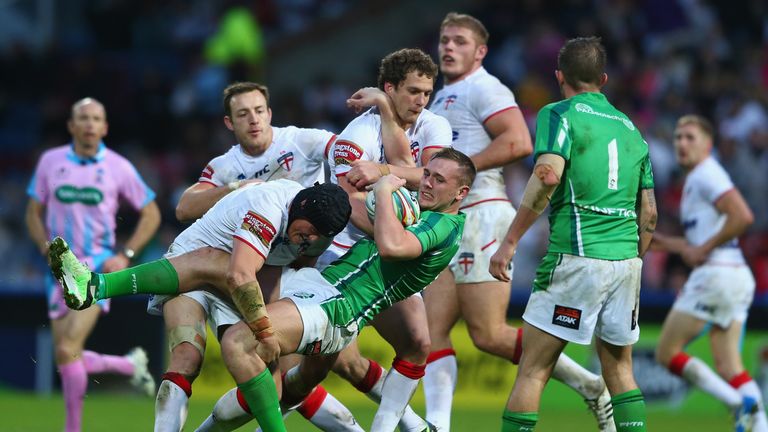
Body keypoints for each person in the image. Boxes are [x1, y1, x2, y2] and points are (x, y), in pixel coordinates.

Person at [51, 148, 472, 432]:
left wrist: (383, 182)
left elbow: (391, 244)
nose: (426, 183)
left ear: (461, 193)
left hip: (334, 305)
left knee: (240, 344)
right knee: (281, 381)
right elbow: (188, 212)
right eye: (427, 174)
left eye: (437, 179)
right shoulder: (273, 205)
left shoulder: (441, 224)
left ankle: (97, 285)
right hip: (314, 290)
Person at [422, 13, 613, 431]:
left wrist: (460, 168)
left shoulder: (485, 87)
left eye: (459, 41)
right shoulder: (440, 97)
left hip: (482, 214)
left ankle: (590, 385)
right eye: (444, 40)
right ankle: (438, 425)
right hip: (445, 222)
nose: (449, 47)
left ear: (481, 51)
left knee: (488, 334)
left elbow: (518, 140)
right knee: (428, 335)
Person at [49, 179, 351, 432]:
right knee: (186, 355)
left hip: (242, 283)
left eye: (318, 236)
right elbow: (238, 272)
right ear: (301, 207)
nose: (309, 239)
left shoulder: (315, 235)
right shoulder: (269, 206)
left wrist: (268, 326)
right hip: (189, 268)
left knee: (267, 378)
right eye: (307, 231)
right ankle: (96, 285)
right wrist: (265, 330)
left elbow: (274, 271)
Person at [150, 81, 355, 431]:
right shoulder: (224, 166)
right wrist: (234, 188)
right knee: (187, 355)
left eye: (259, 111)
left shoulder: (301, 141)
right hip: (204, 261)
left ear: (270, 113)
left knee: (275, 379)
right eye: (243, 114)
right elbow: (184, 206)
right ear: (229, 123)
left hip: (262, 274)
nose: (254, 120)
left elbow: (345, 149)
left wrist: (369, 170)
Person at [488, 37, 656, 432]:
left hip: (577, 257)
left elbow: (547, 174)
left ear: (559, 75)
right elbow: (648, 212)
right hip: (626, 260)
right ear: (604, 78)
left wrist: (510, 241)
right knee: (620, 370)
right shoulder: (633, 130)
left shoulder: (559, 113)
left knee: (534, 369)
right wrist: (632, 260)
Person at [322, 48, 453, 431]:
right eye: (412, 91)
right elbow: (350, 201)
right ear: (390, 87)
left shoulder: (434, 125)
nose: (421, 101)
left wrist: (380, 170)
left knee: (416, 343)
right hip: (341, 253)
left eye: (427, 92)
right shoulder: (356, 136)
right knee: (335, 362)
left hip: (390, 251)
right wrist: (394, 232)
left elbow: (431, 177)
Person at [25, 98, 161, 432]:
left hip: (95, 269)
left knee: (69, 348)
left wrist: (126, 255)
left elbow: (152, 213)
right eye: (82, 118)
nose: (89, 124)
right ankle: (128, 365)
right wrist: (46, 249)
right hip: (57, 272)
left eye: (95, 118)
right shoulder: (50, 162)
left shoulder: (118, 167)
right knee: (64, 354)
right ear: (71, 126)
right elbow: (32, 212)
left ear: (104, 127)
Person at [652, 115, 767, 432]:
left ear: (708, 144)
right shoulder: (696, 180)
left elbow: (742, 215)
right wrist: (662, 244)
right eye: (677, 137)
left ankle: (734, 402)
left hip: (715, 275)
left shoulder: (706, 174)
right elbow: (700, 240)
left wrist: (702, 250)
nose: (681, 143)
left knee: (666, 352)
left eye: (690, 137)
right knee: (731, 366)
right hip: (736, 274)